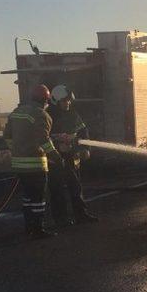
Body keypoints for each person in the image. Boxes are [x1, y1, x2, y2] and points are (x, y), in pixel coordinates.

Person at [3, 83, 61, 238]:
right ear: (46, 100)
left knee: (27, 198)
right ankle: (38, 229)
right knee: (38, 199)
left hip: (18, 165)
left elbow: (7, 135)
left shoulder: (16, 112)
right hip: (36, 166)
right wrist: (55, 155)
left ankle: (29, 227)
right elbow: (43, 139)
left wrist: (16, 150)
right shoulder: (42, 115)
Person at [48, 84, 98, 226]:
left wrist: (85, 148)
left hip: (71, 158)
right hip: (55, 160)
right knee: (57, 190)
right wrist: (58, 147)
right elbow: (43, 138)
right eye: (65, 101)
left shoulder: (73, 115)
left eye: (69, 100)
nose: (68, 103)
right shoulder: (48, 117)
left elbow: (83, 132)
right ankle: (61, 219)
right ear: (56, 101)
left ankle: (81, 215)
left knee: (76, 187)